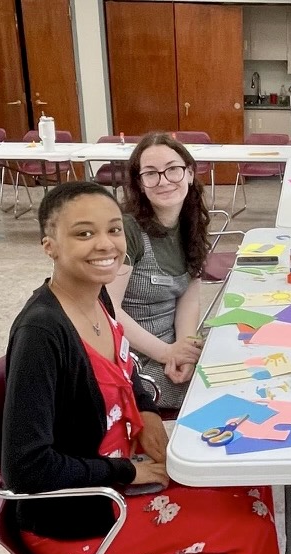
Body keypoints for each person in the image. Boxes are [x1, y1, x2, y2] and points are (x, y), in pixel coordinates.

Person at [2, 181, 284, 554]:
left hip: (117, 471)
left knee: (247, 471)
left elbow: (126, 373)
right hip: (80, 516)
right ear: (50, 245)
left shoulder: (95, 303)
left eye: (112, 229)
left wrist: (150, 413)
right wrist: (128, 470)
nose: (106, 244)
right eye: (83, 233)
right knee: (249, 525)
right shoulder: (42, 333)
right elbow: (26, 466)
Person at [107, 132, 208, 410]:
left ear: (189, 173)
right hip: (134, 357)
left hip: (172, 344)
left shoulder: (191, 225)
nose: (164, 181)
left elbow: (188, 297)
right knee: (214, 388)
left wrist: (185, 349)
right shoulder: (128, 230)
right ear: (139, 184)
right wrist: (167, 353)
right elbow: (107, 310)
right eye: (151, 174)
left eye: (173, 170)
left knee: (236, 351)